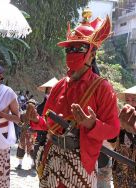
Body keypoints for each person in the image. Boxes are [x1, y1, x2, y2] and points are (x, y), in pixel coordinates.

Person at [26, 9, 120, 187]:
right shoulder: (60, 85)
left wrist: (91, 124)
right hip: (52, 158)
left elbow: (114, 130)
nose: (73, 52)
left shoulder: (102, 88)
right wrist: (35, 119)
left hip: (80, 162)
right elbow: (48, 124)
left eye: (79, 48)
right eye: (70, 48)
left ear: (92, 54)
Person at [111, 92, 136, 188]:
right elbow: (112, 139)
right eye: (128, 100)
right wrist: (118, 127)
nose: (130, 103)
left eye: (133, 100)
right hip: (119, 165)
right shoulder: (121, 116)